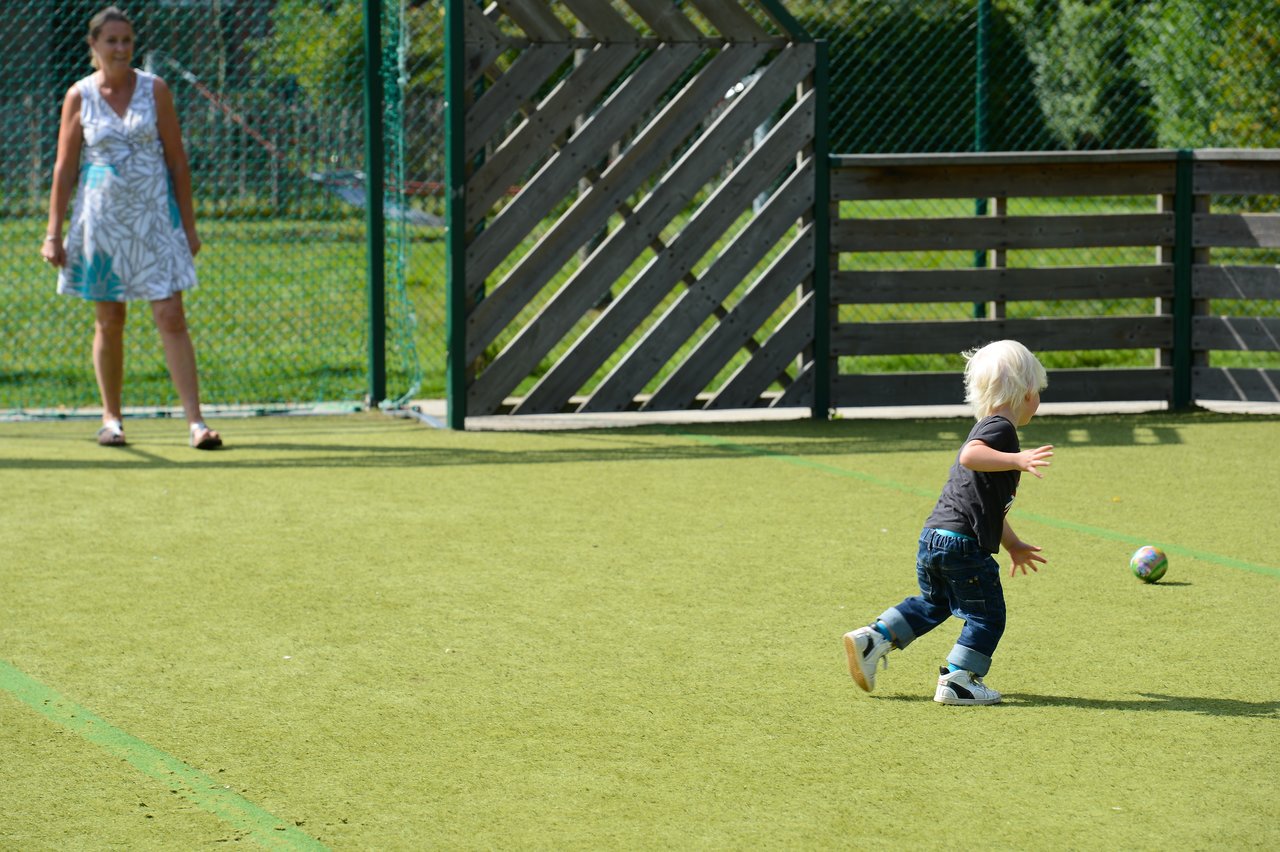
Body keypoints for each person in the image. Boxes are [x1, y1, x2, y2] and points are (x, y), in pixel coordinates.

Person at [41, 6, 222, 450]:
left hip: (155, 220)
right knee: (110, 319)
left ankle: (196, 424)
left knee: (171, 315)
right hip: (100, 222)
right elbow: (65, 168)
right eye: (111, 41)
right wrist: (52, 232)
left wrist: (189, 227)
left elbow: (177, 161)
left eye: (127, 41)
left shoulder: (155, 90)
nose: (120, 49)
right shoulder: (78, 96)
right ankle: (112, 420)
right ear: (94, 46)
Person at [843, 340, 1053, 705]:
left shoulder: (994, 432)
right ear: (1027, 393)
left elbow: (987, 508)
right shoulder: (1001, 430)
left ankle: (873, 638)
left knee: (934, 604)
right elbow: (970, 455)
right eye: (1039, 393)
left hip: (934, 538)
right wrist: (1018, 460)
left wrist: (1013, 544)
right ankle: (959, 679)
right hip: (962, 547)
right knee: (988, 617)